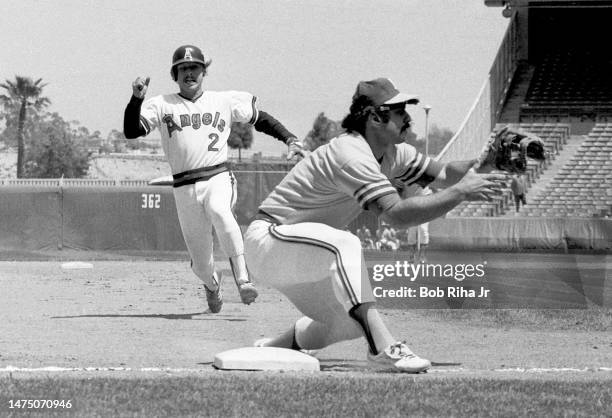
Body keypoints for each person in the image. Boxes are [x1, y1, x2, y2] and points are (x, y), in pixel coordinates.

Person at [244, 77, 505, 373]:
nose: (407, 118)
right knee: (344, 244)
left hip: (301, 254)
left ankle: (274, 347)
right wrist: (460, 192)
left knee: (349, 323)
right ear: (374, 117)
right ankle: (383, 349)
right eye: (399, 111)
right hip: (269, 241)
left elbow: (444, 173)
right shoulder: (351, 154)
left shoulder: (393, 153)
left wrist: (488, 161)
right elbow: (395, 214)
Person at [123, 45, 305, 313]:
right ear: (175, 74)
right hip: (184, 187)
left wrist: (289, 138)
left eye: (194, 67)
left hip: (217, 175)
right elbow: (131, 131)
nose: (189, 73)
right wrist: (136, 99)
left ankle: (243, 280)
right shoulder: (162, 104)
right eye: (183, 68)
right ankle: (211, 285)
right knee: (201, 263)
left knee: (221, 212)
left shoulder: (223, 100)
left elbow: (260, 118)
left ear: (203, 71)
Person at [404, 186, 432, 263]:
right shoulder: (409, 182)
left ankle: (422, 256)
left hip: (424, 210)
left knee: (423, 231)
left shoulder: (427, 185)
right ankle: (411, 256)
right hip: (412, 209)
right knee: (411, 232)